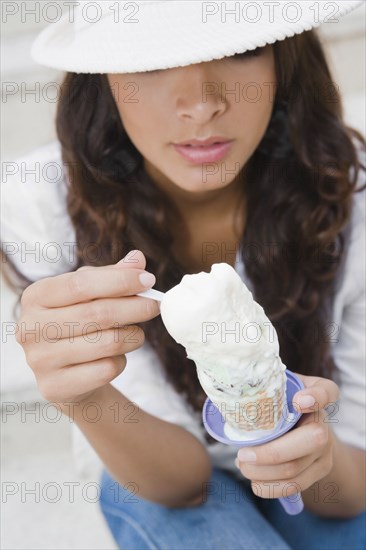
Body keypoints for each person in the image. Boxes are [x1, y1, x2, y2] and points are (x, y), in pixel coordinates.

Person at [1, 1, 365, 548]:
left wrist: (315, 451)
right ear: (101, 77)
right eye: (151, 61)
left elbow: (351, 491)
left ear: (285, 64)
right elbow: (180, 485)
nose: (201, 105)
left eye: (241, 50)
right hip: (150, 468)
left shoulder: (349, 204)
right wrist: (84, 397)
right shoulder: (43, 205)